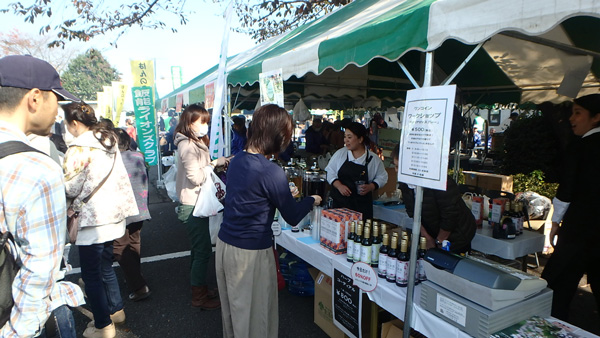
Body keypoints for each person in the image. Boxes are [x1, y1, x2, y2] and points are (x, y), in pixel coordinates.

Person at [216, 104, 321, 338]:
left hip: (225, 246)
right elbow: (292, 215)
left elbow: (249, 196)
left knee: (234, 316)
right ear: (277, 135)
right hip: (250, 253)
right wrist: (311, 199)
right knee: (255, 320)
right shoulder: (271, 171)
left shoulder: (237, 160)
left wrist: (281, 195)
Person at [0, 55, 84, 338]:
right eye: (56, 100)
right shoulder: (36, 168)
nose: (58, 112)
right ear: (35, 98)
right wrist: (17, 332)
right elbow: (38, 270)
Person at [62, 102, 139, 338]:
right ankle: (117, 311)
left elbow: (70, 186)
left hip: (92, 221)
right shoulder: (109, 141)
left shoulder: (78, 149)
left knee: (91, 275)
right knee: (106, 267)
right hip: (113, 215)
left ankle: (103, 325)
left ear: (74, 123)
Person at [541, 94, 600, 322]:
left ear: (596, 117)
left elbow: (567, 189)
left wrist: (555, 222)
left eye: (578, 113)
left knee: (556, 285)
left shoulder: (580, 146)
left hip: (579, 229)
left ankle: (550, 329)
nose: (571, 118)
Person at [174, 104, 229, 310]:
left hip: (196, 202)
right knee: (203, 250)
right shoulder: (187, 145)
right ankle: (199, 296)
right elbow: (196, 177)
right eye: (202, 122)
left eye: (206, 121)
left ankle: (200, 288)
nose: (205, 126)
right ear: (190, 122)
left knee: (199, 250)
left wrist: (216, 163)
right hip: (193, 203)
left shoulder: (191, 142)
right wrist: (215, 164)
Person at [391, 144, 476, 254]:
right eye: (395, 166)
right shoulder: (405, 183)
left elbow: (450, 215)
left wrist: (439, 241)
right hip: (432, 229)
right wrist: (426, 237)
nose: (396, 171)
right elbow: (413, 212)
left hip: (458, 234)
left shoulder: (440, 181)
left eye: (399, 167)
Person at [113, 128, 152, 302]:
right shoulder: (139, 156)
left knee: (119, 247)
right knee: (134, 242)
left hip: (121, 211)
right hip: (140, 209)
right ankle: (136, 275)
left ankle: (139, 287)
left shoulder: (112, 161)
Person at [325, 122, 388, 219]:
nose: (346, 140)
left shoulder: (373, 159)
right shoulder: (341, 154)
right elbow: (329, 172)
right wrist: (339, 186)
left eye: (349, 137)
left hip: (362, 207)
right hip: (340, 205)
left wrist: (371, 186)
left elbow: (383, 177)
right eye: (345, 137)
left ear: (360, 139)